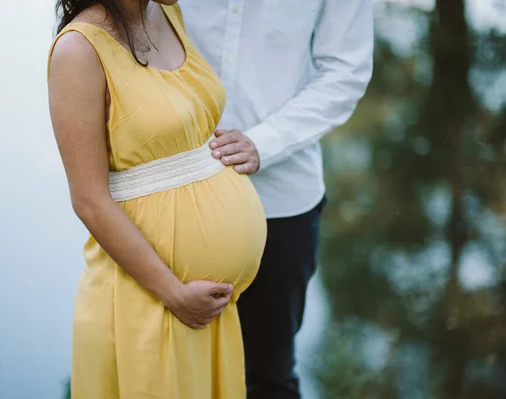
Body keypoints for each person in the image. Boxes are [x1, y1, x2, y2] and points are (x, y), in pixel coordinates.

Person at [47, 0, 266, 398]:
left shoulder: (166, 13)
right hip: (149, 303)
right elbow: (89, 200)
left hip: (203, 310)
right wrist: (174, 293)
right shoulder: (78, 51)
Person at [181, 1, 374, 398]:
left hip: (282, 203)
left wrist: (264, 142)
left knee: (267, 375)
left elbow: (346, 70)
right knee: (171, 365)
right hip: (172, 193)